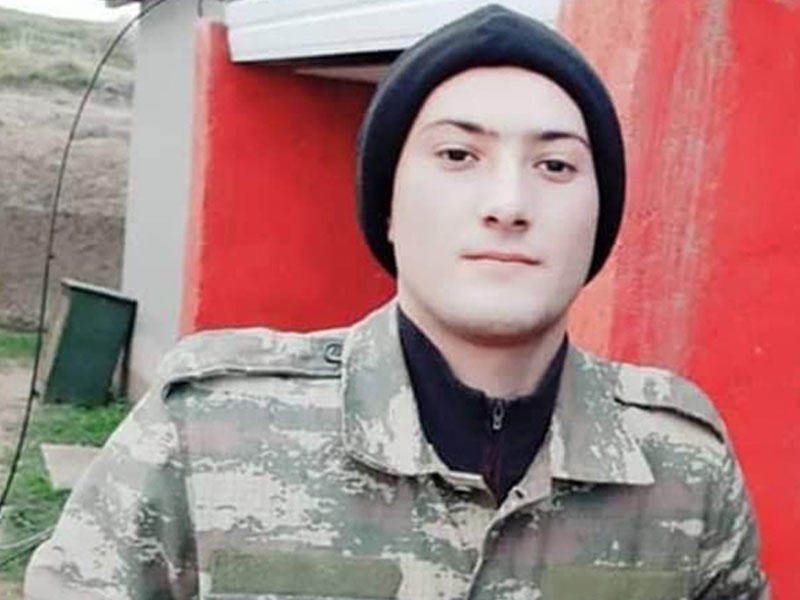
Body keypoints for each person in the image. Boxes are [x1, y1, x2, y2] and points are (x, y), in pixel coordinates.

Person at [25, 5, 768, 599]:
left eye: (555, 165)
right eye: (458, 155)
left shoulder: (682, 464)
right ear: (387, 205)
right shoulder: (208, 428)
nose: (509, 204)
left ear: (600, 218)